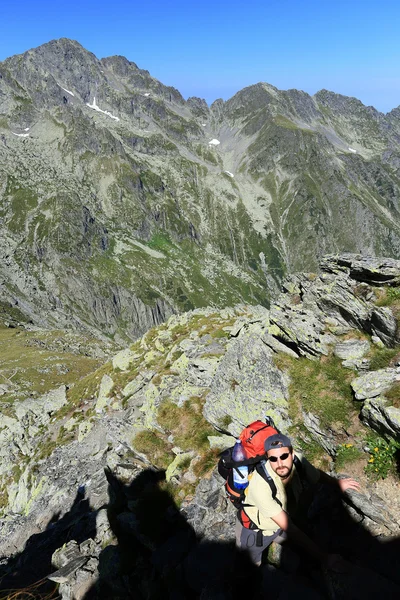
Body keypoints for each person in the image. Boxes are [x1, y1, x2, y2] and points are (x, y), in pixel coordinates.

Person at [235, 433, 360, 568]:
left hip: (283, 516)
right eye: (273, 458)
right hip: (258, 529)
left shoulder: (298, 461)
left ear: (292, 453)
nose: (280, 463)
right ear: (267, 458)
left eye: (284, 456)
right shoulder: (260, 486)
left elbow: (317, 476)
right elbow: (290, 527)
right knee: (247, 566)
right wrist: (324, 558)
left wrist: (336, 483)